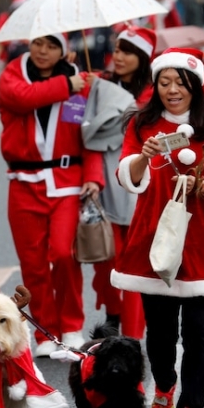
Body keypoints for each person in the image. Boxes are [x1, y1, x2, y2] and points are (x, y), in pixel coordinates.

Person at [111, 47, 204, 408]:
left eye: (181, 83)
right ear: (155, 86)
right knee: (162, 329)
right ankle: (165, 386)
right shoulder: (142, 125)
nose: (172, 90)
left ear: (196, 85)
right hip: (156, 239)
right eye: (164, 82)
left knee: (201, 331)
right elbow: (127, 176)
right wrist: (142, 157)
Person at [0, 32, 104, 356]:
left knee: (63, 254)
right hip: (23, 181)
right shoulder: (13, 74)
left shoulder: (80, 83)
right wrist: (66, 85)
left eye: (52, 45)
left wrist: (94, 177)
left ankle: (71, 326)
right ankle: (44, 333)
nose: (43, 51)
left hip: (67, 180)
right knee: (33, 263)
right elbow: (23, 98)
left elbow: (92, 135)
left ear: (64, 50)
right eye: (38, 43)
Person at [84, 26, 156, 339]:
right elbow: (87, 136)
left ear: (142, 58)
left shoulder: (154, 92)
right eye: (117, 50)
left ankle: (133, 333)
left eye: (127, 51)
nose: (119, 57)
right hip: (105, 179)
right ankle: (113, 311)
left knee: (137, 261)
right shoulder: (99, 85)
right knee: (107, 258)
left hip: (141, 181)